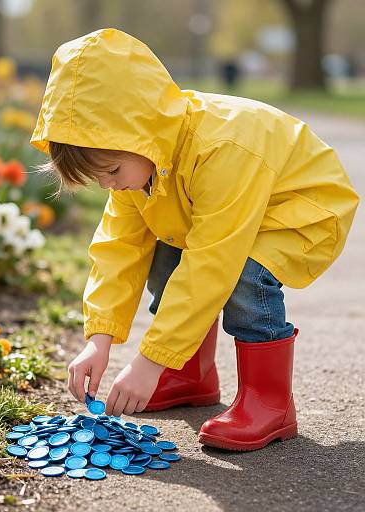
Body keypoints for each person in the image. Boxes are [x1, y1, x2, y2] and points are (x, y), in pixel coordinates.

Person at [30, 28, 359, 451]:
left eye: (111, 172)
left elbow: (212, 262)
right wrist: (100, 337)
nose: (110, 185)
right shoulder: (140, 165)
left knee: (243, 275)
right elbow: (118, 249)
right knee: (164, 252)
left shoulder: (221, 147)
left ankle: (270, 402)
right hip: (227, 213)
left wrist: (150, 361)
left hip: (302, 208)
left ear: (140, 131)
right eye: (99, 179)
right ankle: (190, 375)